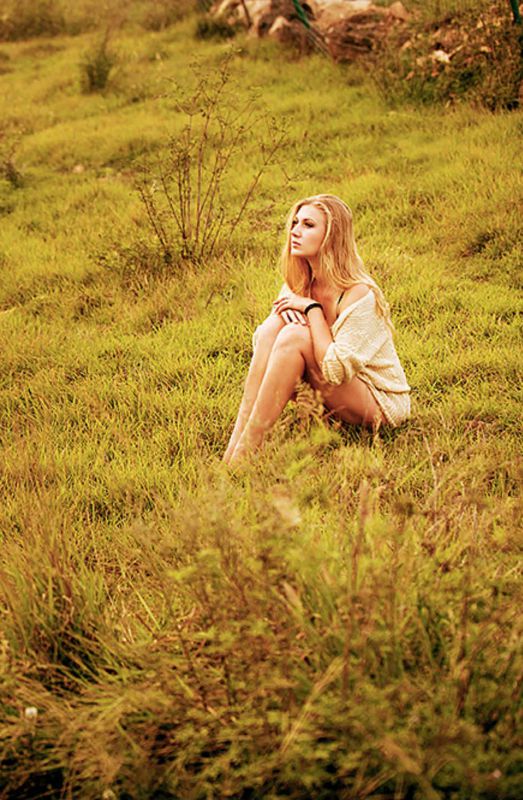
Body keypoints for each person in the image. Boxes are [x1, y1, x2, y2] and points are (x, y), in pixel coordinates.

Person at [223, 194, 411, 465]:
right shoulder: (300, 282)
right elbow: (265, 344)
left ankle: (244, 455)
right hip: (335, 397)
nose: (295, 231)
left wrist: (312, 310)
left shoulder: (358, 294)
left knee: (293, 334)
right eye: (295, 222)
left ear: (331, 236)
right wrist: (284, 318)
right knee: (274, 328)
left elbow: (335, 369)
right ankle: (235, 448)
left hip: (378, 401)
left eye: (308, 225)